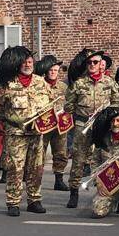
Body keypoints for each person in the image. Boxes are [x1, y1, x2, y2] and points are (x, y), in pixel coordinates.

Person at [0, 45, 52, 217]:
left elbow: (51, 103)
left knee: (36, 168)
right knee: (15, 168)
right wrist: (10, 121)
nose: (28, 64)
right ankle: (13, 202)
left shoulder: (41, 82)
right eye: (25, 62)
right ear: (18, 64)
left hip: (37, 134)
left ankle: (34, 199)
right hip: (16, 134)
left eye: (30, 61)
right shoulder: (8, 85)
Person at [64, 48, 119, 209]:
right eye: (89, 62)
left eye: (95, 62)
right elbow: (68, 106)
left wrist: (107, 115)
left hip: (103, 126)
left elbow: (117, 104)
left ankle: (108, 192)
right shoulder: (79, 84)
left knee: (107, 159)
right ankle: (73, 192)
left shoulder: (109, 83)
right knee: (78, 160)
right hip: (83, 125)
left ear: (100, 64)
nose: (92, 65)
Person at [35, 54, 69, 192]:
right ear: (46, 71)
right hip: (44, 123)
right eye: (51, 70)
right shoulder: (39, 85)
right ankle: (37, 179)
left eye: (55, 70)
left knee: (60, 152)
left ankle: (59, 180)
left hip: (60, 125)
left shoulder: (63, 87)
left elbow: (69, 104)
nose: (53, 72)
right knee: (39, 152)